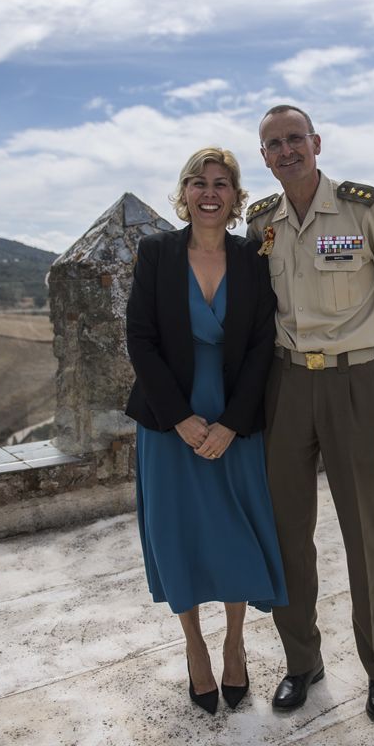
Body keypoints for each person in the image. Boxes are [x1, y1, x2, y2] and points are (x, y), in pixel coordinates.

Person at [246, 105, 374, 721]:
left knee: (364, 533)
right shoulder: (260, 222)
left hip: (355, 383)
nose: (286, 150)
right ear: (264, 156)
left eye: (295, 139)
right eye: (274, 144)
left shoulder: (363, 208)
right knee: (288, 534)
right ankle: (303, 662)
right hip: (286, 387)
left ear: (316, 143)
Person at [124, 146, 287, 715]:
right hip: (171, 421)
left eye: (221, 183)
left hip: (235, 418)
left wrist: (232, 423)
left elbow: (265, 344)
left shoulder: (252, 259)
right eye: (199, 182)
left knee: (236, 529)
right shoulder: (156, 253)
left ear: (236, 197)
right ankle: (194, 646)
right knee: (181, 533)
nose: (209, 192)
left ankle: (235, 642)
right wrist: (182, 419)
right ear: (185, 193)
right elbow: (139, 339)